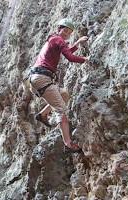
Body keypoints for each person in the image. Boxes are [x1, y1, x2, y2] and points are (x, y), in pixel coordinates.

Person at [29, 18, 89, 152]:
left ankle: (43, 115)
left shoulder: (54, 40)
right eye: (65, 30)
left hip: (38, 78)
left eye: (69, 32)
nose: (67, 33)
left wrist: (77, 43)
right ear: (59, 29)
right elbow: (70, 58)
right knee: (61, 110)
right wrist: (86, 59)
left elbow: (67, 52)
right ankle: (68, 144)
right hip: (42, 79)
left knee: (64, 94)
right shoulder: (58, 40)